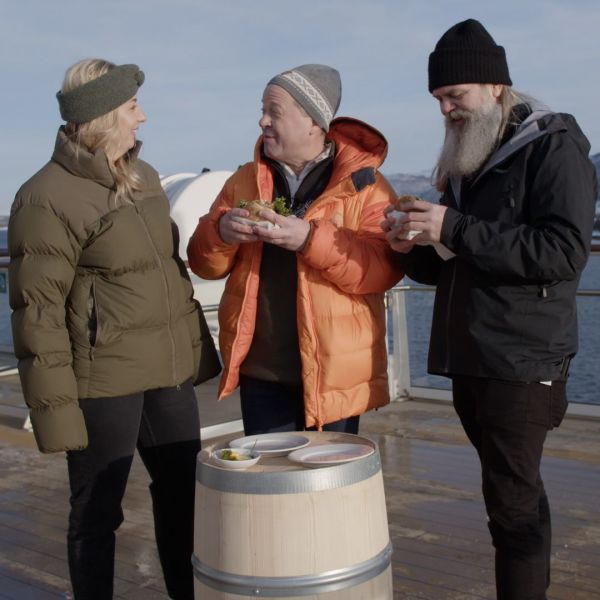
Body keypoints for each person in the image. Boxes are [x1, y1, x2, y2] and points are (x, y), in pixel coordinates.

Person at [382, 19, 596, 600]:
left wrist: (452, 224)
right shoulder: (471, 155)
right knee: (509, 496)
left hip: (521, 360)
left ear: (497, 86)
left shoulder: (554, 146)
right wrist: (413, 248)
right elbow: (454, 263)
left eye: (455, 96)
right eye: (438, 99)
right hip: (472, 357)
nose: (446, 110)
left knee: (513, 505)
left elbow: (564, 252)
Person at [8, 58, 218, 600]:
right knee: (98, 513)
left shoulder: (144, 177)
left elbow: (166, 273)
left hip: (166, 372)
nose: (142, 116)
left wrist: (195, 349)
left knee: (184, 500)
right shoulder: (45, 196)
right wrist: (56, 416)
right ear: (102, 115)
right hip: (103, 381)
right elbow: (39, 313)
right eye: (131, 107)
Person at [187, 64, 404, 435]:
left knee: (328, 488)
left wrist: (309, 239)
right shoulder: (243, 180)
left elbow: (383, 267)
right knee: (270, 487)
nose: (262, 122)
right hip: (262, 373)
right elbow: (203, 265)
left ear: (314, 123)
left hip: (333, 374)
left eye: (274, 112)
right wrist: (220, 231)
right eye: (262, 110)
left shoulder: (366, 186)